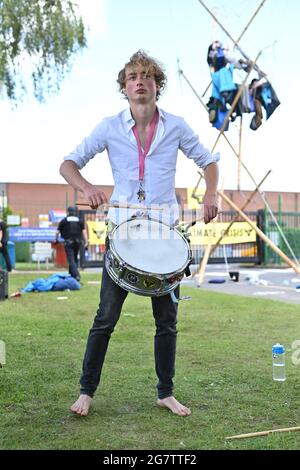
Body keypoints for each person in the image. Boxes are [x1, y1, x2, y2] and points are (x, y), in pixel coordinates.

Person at [59, 50, 219, 417]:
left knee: (167, 322)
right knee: (105, 317)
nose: (140, 82)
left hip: (164, 235)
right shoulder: (109, 127)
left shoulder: (176, 126)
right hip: (125, 234)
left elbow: (209, 160)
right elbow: (68, 163)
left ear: (157, 85)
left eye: (147, 76)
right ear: (124, 87)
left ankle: (166, 392)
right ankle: (86, 392)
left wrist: (210, 194)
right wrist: (86, 188)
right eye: (132, 76)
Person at [55, 206, 88, 281]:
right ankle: (72, 276)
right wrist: (86, 242)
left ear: (68, 212)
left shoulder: (64, 221)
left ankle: (76, 275)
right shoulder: (79, 221)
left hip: (68, 243)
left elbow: (57, 232)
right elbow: (84, 232)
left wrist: (56, 240)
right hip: (78, 243)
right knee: (75, 259)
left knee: (71, 260)